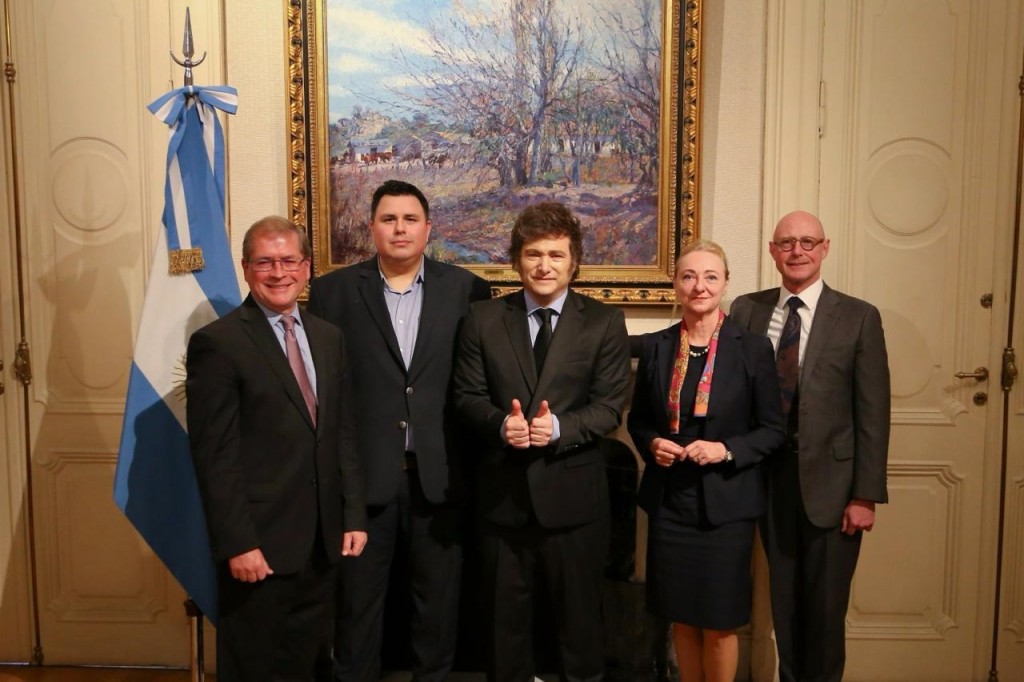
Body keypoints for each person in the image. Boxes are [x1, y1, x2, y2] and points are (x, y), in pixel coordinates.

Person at [306, 180, 491, 681]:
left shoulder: (467, 290)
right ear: (372, 229)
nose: (400, 228)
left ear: (429, 229)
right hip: (364, 482)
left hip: (441, 477)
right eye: (389, 219)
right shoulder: (332, 293)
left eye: (410, 219)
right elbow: (326, 395)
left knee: (437, 611)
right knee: (358, 611)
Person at [452, 201, 631, 682]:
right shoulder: (483, 319)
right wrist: (498, 425)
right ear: (516, 259)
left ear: (574, 261)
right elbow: (465, 396)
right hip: (502, 503)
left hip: (574, 505)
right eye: (533, 254)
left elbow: (610, 406)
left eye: (556, 254)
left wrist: (557, 429)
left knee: (579, 633)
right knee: (504, 634)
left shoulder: (603, 322)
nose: (544, 265)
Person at [185, 216, 367, 681]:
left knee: (311, 664)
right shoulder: (218, 344)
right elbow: (214, 457)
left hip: (322, 543)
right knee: (258, 667)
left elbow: (342, 432)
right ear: (246, 269)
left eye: (289, 260)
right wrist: (239, 542)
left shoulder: (329, 338)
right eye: (265, 262)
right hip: (259, 547)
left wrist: (352, 515)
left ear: (306, 268)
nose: (278, 272)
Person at [729, 210, 890, 682]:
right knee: (784, 606)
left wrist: (865, 494)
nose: (797, 251)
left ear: (824, 248)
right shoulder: (747, 309)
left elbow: (873, 412)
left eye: (807, 242)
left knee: (823, 613)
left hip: (835, 487)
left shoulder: (858, 317)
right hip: (767, 482)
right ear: (772, 251)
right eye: (786, 243)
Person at [628, 241, 785, 682]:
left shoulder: (752, 349)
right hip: (670, 502)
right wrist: (653, 443)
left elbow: (773, 430)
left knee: (718, 623)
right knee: (681, 618)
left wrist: (726, 450)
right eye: (689, 276)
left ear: (726, 284)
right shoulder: (658, 347)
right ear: (676, 285)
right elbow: (640, 421)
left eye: (711, 276)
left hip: (726, 506)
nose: (700, 286)